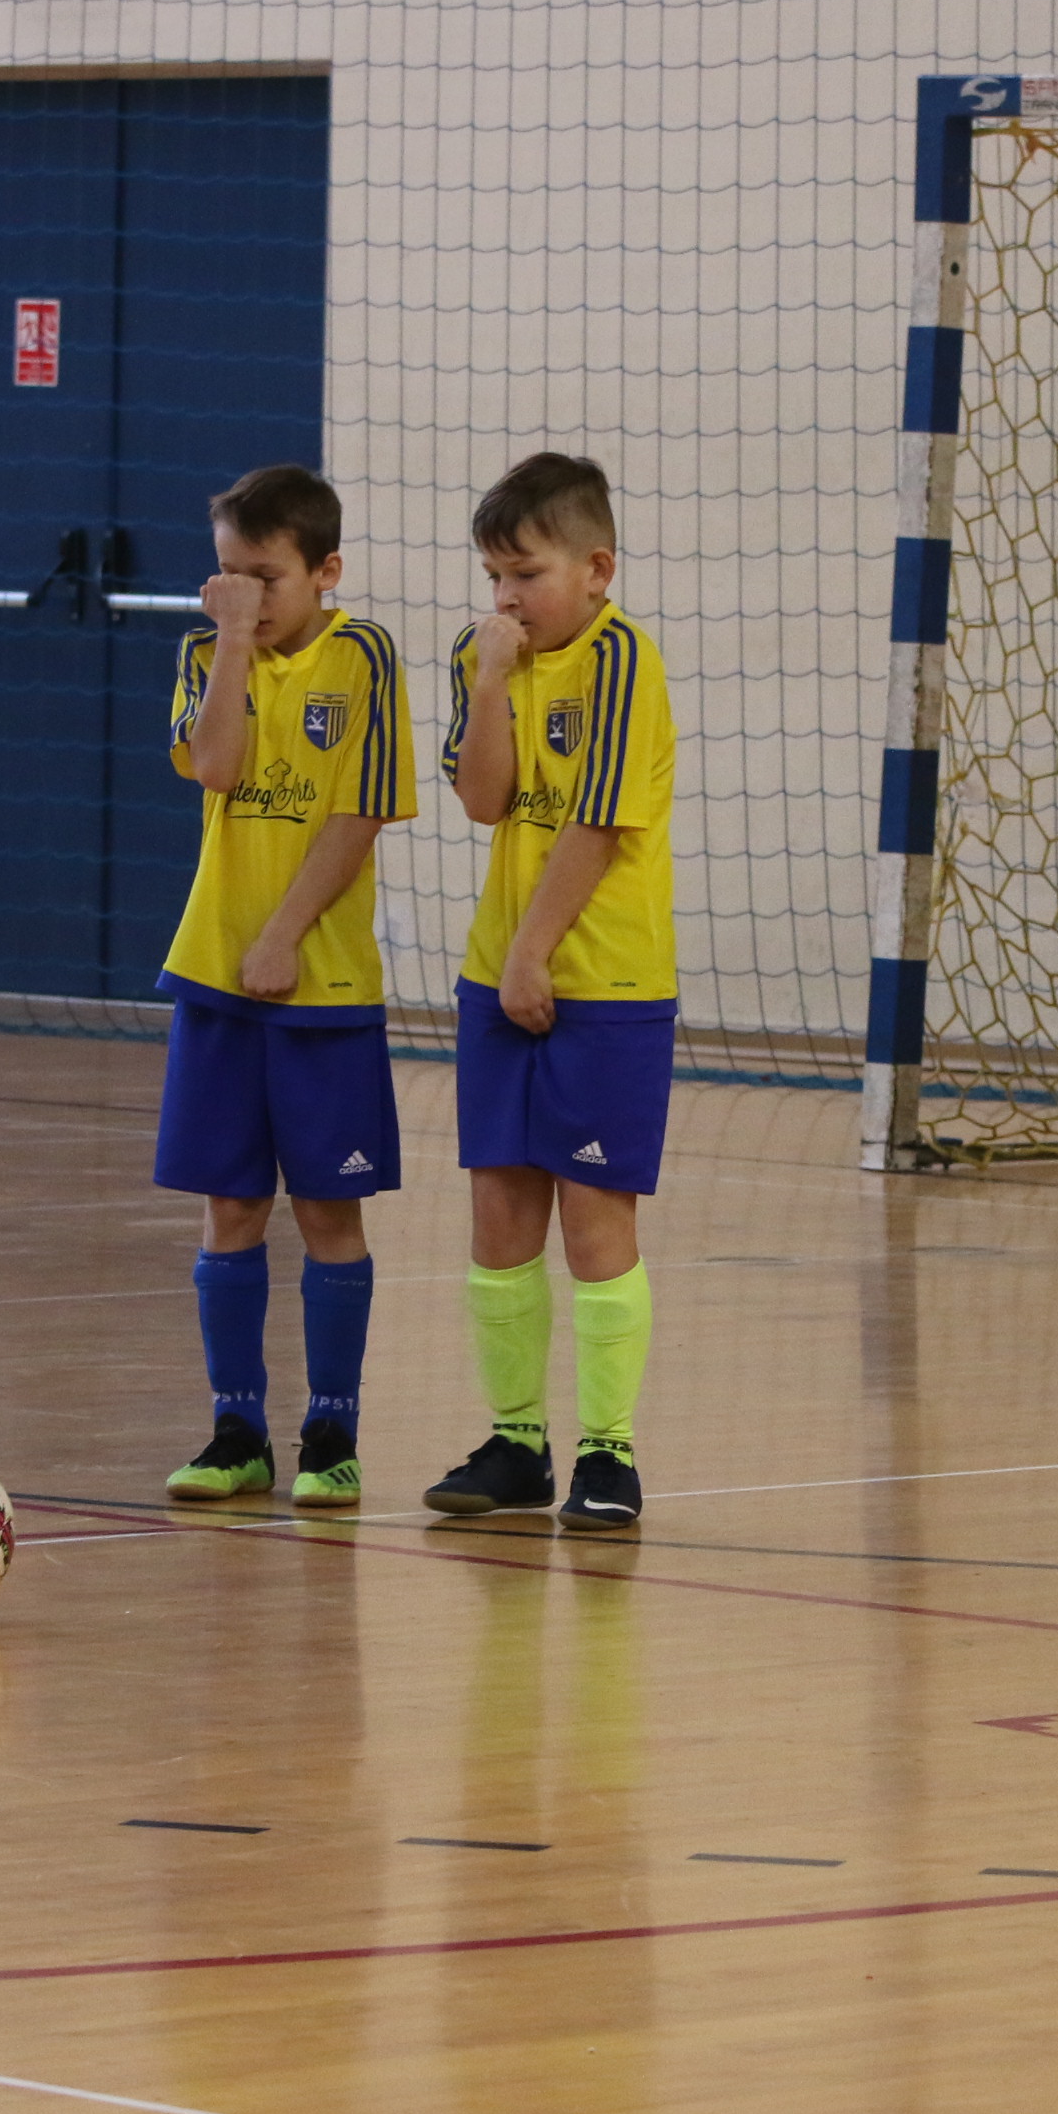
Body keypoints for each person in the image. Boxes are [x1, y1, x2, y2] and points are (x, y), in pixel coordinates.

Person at [422, 453, 676, 1534]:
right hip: (501, 976)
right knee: (500, 1209)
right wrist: (489, 681)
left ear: (596, 569)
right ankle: (516, 1440)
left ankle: (608, 1450)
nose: (506, 596)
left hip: (602, 981)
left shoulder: (623, 661)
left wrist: (533, 954)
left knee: (595, 1217)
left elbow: (597, 825)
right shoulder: (483, 656)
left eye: (526, 574)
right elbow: (486, 800)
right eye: (494, 576)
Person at [155, 464, 412, 1510]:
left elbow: (359, 813)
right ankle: (237, 1431)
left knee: (329, 1211)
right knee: (229, 1207)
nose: (244, 596)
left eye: (265, 578)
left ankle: (332, 1434)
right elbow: (217, 768)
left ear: (324, 570)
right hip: (216, 973)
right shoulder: (205, 653)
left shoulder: (364, 657)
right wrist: (230, 643)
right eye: (229, 574)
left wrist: (284, 934)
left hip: (322, 988)